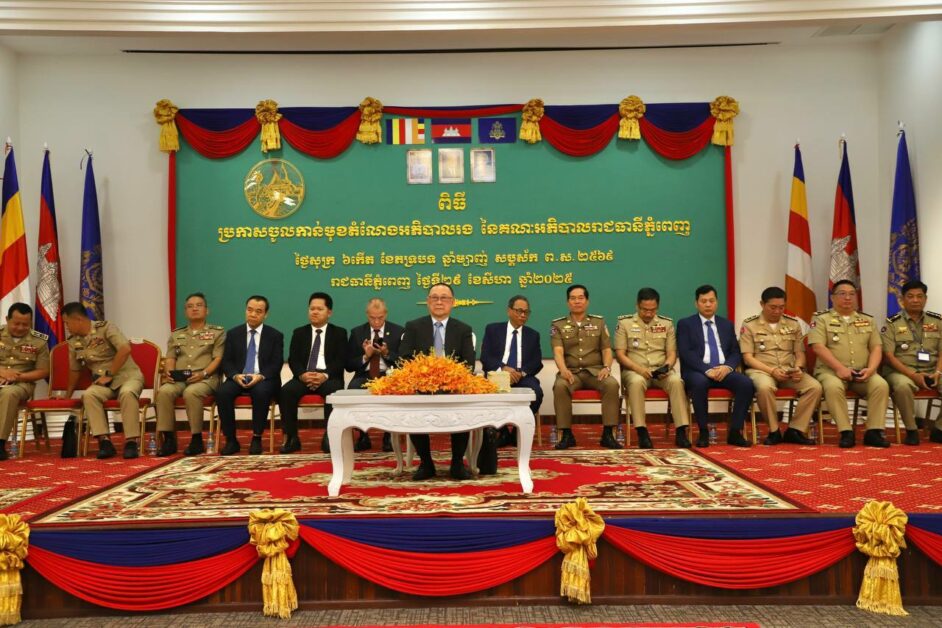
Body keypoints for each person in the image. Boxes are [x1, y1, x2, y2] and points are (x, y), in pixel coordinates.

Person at [399, 282, 475, 480]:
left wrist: (447, 377)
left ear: (453, 302)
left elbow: (468, 364)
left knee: (463, 405)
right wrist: (425, 377)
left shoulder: (463, 329)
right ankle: (426, 463)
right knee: (414, 406)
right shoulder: (413, 327)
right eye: (434, 297)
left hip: (452, 387)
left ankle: (457, 463)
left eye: (444, 298)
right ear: (427, 301)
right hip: (422, 387)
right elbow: (404, 358)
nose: (439, 302)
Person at [809, 280, 890, 448]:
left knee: (880, 385)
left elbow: (876, 347)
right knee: (833, 387)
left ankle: (874, 432)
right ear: (832, 297)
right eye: (842, 294)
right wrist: (839, 368)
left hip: (862, 372)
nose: (848, 298)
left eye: (852, 294)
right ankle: (846, 431)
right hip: (830, 372)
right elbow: (818, 347)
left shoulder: (867, 320)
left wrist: (871, 369)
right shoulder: (821, 319)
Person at [63, 302, 145, 459]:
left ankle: (131, 442)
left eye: (67, 323)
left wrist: (110, 373)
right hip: (103, 383)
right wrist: (67, 396)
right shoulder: (73, 341)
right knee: (89, 395)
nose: (66, 327)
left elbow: (125, 349)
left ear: (78, 319)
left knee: (127, 393)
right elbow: (75, 370)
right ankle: (104, 442)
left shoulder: (106, 328)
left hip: (128, 376)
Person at [740, 287, 821, 445]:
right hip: (761, 370)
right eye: (773, 307)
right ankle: (774, 431)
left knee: (815, 387)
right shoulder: (750, 325)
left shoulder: (793, 324)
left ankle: (795, 430)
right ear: (762, 304)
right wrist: (772, 371)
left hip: (788, 370)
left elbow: (799, 353)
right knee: (764, 388)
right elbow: (748, 358)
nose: (777, 311)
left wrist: (798, 368)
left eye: (781, 307)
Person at [676, 284, 753, 448]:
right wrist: (707, 369)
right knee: (699, 383)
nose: (708, 304)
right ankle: (703, 431)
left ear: (717, 302)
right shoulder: (685, 324)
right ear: (696, 303)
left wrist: (727, 367)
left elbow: (735, 351)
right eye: (703, 301)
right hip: (697, 371)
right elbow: (686, 352)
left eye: (711, 301)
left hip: (723, 370)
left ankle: (735, 432)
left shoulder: (726, 324)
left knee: (746, 383)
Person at [614, 287, 691, 449]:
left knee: (677, 381)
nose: (649, 314)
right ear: (637, 306)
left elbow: (672, 353)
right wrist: (640, 370)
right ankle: (642, 431)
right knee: (636, 383)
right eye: (644, 310)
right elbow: (620, 354)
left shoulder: (666, 324)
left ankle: (681, 431)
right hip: (635, 371)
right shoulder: (624, 323)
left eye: (653, 310)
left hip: (661, 371)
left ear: (658, 306)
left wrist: (666, 368)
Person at [551, 284, 621, 450]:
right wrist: (563, 370)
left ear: (587, 301)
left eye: (580, 298)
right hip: (571, 373)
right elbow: (558, 352)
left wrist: (607, 367)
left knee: (612, 384)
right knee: (560, 386)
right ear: (568, 302)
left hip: (595, 372)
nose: (577, 301)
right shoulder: (558, 325)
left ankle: (608, 434)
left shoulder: (598, 322)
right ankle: (566, 434)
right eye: (573, 298)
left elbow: (606, 349)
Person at [154, 292, 225, 456]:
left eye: (199, 305)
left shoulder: (217, 332)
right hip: (180, 378)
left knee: (191, 392)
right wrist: (169, 372)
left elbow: (218, 358)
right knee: (164, 392)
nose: (194, 309)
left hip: (205, 378)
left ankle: (196, 439)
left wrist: (203, 373)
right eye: (190, 306)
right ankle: (169, 439)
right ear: (185, 311)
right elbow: (171, 357)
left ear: (207, 310)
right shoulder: (176, 334)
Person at [280, 292, 347, 454]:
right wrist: (303, 375)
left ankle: (330, 437)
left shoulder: (339, 333)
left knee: (334, 391)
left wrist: (324, 375)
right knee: (286, 391)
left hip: (328, 377)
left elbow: (341, 360)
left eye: (319, 309)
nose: (315, 312)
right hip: (304, 376)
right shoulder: (299, 333)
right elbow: (293, 359)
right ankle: (291, 438)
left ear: (329, 312)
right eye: (312, 309)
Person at [217, 295, 284, 456]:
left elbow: (276, 363)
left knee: (261, 391)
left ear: (265, 314)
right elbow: (227, 361)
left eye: (258, 311)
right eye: (250, 310)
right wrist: (235, 376)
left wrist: (260, 376)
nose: (253, 314)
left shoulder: (275, 335)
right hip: (239, 377)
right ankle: (231, 440)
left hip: (264, 378)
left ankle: (256, 437)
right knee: (222, 392)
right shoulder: (233, 333)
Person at [881, 279, 942, 445]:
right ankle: (911, 429)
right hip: (901, 371)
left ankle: (939, 430)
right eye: (910, 296)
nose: (915, 300)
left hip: (932, 369)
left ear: (925, 299)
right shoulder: (892, 323)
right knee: (902, 386)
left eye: (919, 296)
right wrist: (913, 375)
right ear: (902, 299)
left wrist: (938, 372)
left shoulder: (937, 321)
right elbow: (889, 356)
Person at [479, 295, 543, 447]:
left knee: (537, 393)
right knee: (486, 393)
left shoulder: (533, 335)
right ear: (509, 311)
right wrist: (503, 368)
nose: (523, 315)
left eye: (526, 312)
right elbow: (485, 357)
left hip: (522, 377)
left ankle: (516, 432)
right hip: (498, 375)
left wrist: (521, 373)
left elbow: (536, 363)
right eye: (519, 311)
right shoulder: (493, 329)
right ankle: (502, 431)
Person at [345, 297, 403, 452]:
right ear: (367, 315)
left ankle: (389, 436)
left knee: (397, 389)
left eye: (380, 318)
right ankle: (362, 435)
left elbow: (404, 362)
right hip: (365, 375)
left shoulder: (398, 331)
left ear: (386, 314)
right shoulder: (357, 333)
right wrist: (366, 356)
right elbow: (349, 365)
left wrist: (387, 353)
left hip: (389, 375)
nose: (376, 322)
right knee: (353, 388)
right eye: (372, 318)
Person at [0, 303, 49, 460]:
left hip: (22, 384)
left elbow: (43, 371)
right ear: (7, 319)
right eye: (16, 323)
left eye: (25, 324)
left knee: (9, 393)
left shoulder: (39, 341)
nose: (21, 328)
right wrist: (3, 372)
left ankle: (0, 443)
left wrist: (16, 376)